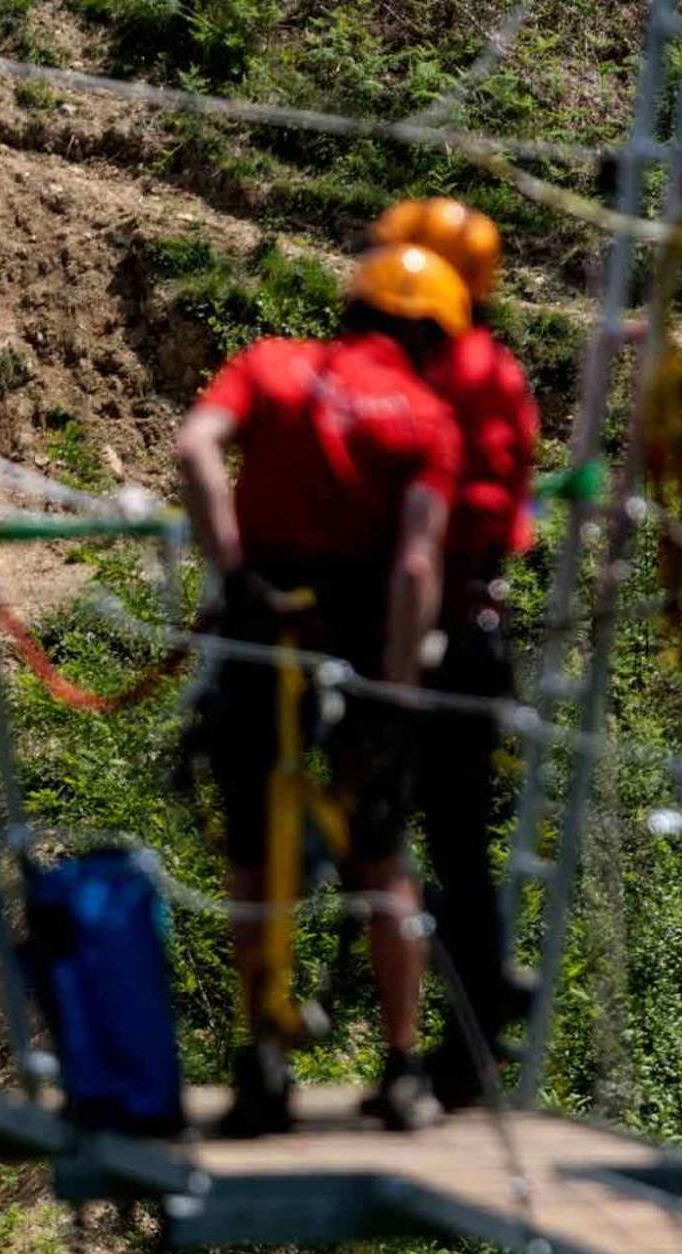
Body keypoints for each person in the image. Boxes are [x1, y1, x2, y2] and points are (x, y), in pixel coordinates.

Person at [175, 243, 468, 1136]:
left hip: (262, 632)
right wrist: (403, 682)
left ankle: (261, 1065)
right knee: (382, 863)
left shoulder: (271, 364)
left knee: (255, 855)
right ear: (427, 337)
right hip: (356, 644)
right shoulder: (427, 417)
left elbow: (194, 448)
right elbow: (417, 565)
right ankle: (403, 1066)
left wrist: (231, 572)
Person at [371, 199, 541, 1110]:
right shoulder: (501, 367)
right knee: (459, 835)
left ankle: (449, 1033)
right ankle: (478, 1015)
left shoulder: (433, 369)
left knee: (391, 833)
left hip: (419, 618)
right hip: (481, 620)